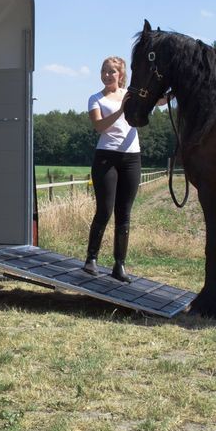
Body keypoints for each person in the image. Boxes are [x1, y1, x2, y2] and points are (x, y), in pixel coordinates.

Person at [84, 55, 160, 282]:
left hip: (131, 158)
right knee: (105, 210)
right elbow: (99, 126)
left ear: (121, 75)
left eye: (112, 72)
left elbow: (158, 100)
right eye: (104, 71)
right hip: (106, 158)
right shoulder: (95, 98)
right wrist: (121, 110)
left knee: (124, 214)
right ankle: (91, 259)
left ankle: (119, 265)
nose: (107, 75)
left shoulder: (131, 94)